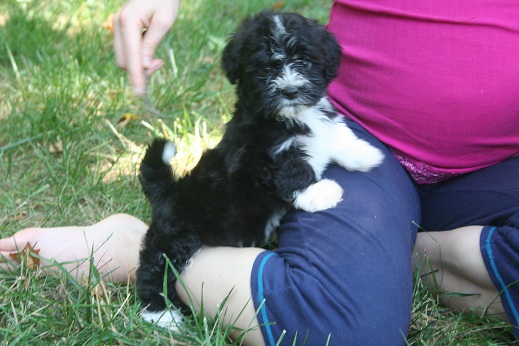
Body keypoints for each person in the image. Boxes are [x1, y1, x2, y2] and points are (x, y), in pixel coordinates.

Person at [1, 0, 519, 344]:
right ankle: (147, 248)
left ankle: (406, 253)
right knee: (348, 331)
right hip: (349, 144)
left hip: (504, 164)